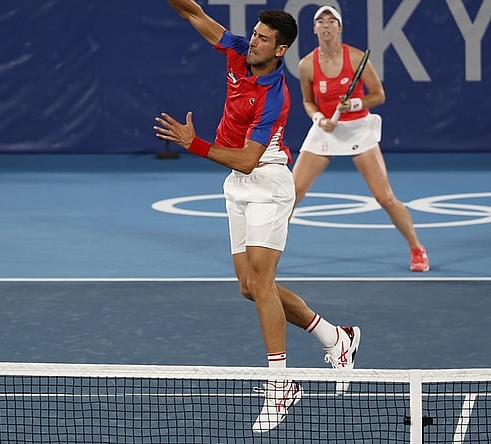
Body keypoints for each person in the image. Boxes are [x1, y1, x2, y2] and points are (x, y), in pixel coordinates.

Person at [155, 0, 361, 433]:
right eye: (254, 34)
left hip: (266, 180)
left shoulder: (275, 95)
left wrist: (194, 144)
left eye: (263, 39)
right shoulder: (236, 52)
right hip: (237, 183)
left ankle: (280, 383)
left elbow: (249, 160)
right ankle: (335, 337)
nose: (253, 41)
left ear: (280, 50)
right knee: (249, 287)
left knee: (262, 282)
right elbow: (194, 15)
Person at [294, 5, 430, 272]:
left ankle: (417, 248)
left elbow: (379, 95)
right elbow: (308, 102)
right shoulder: (306, 65)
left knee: (384, 197)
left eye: (331, 21)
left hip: (358, 128)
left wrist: (354, 105)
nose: (326, 25)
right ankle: (266, 253)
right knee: (291, 194)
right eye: (320, 21)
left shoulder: (357, 59)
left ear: (339, 28)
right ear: (314, 29)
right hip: (326, 129)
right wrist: (319, 119)